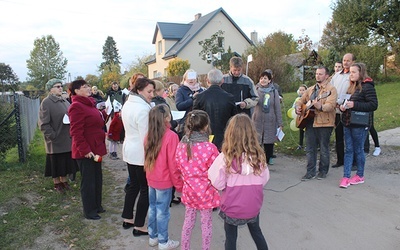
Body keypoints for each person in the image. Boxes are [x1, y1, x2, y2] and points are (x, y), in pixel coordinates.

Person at [208, 113, 270, 250]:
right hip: (253, 205)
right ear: (252, 133)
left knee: (231, 238)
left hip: (232, 207)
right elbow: (265, 179)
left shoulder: (225, 157)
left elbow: (216, 182)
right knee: (256, 232)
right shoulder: (259, 156)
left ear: (230, 133)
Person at [175, 110, 221, 250]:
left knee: (188, 221)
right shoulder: (210, 147)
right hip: (206, 192)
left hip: (189, 190)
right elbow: (216, 170)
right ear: (206, 126)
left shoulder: (182, 145)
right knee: (206, 222)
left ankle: (185, 247)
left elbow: (178, 165)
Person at [144, 104, 183, 250]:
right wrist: (179, 185)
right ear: (167, 117)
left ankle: (153, 237)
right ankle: (163, 241)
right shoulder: (171, 136)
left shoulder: (149, 135)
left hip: (152, 178)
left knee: (153, 208)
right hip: (164, 180)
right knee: (163, 212)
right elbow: (174, 164)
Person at [68, 79, 107, 220]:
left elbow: (97, 123)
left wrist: (104, 113)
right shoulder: (77, 106)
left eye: (88, 86)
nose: (88, 88)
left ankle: (97, 206)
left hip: (95, 147)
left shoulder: (90, 103)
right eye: (84, 87)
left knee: (97, 178)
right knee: (88, 182)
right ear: (77, 91)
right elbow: (76, 132)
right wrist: (85, 150)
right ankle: (89, 211)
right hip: (86, 151)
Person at [121, 77, 155, 235]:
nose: (152, 94)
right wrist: (152, 156)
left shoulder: (129, 103)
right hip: (140, 153)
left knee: (134, 185)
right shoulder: (143, 109)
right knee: (145, 189)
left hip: (130, 150)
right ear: (139, 90)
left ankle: (128, 217)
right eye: (149, 91)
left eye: (153, 91)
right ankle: (139, 225)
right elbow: (146, 137)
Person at [339, 63, 378, 188]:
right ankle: (346, 176)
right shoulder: (351, 86)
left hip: (359, 124)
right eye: (350, 72)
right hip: (347, 122)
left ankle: (360, 175)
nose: (351, 75)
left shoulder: (367, 87)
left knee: (358, 150)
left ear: (361, 72)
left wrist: (354, 105)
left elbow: (373, 105)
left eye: (353, 72)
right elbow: (347, 101)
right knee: (349, 150)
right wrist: (343, 107)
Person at [295, 66, 338, 180]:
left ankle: (323, 171)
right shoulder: (310, 89)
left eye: (320, 74)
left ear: (326, 76)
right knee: (310, 148)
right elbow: (301, 100)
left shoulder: (331, 90)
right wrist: (298, 107)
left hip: (325, 123)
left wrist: (321, 106)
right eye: (317, 73)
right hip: (310, 121)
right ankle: (310, 171)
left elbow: (331, 105)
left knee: (323, 148)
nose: (317, 75)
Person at [38, 78, 76, 193]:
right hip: (55, 140)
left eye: (61, 86)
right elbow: (43, 123)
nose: (60, 88)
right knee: (56, 162)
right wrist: (52, 136)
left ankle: (64, 181)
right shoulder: (46, 102)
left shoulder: (65, 101)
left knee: (65, 162)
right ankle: (57, 183)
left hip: (66, 138)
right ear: (50, 90)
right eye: (57, 86)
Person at [193, 69, 237, 150]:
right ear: (222, 81)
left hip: (205, 136)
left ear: (207, 81)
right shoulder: (229, 98)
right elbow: (234, 118)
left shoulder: (199, 97)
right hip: (225, 136)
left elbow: (194, 119)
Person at [252, 70, 283, 165]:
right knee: (257, 140)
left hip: (270, 120)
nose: (263, 80)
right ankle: (256, 158)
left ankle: (269, 157)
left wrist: (280, 123)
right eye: (261, 78)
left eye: (265, 78)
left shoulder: (274, 91)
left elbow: (277, 107)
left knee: (269, 140)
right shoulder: (255, 90)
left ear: (269, 80)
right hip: (258, 119)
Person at [330, 53, 356, 168]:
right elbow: (331, 90)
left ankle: (354, 162)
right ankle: (340, 160)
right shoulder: (336, 76)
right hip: (337, 111)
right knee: (339, 136)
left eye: (348, 60)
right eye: (344, 60)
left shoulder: (354, 75)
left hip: (349, 110)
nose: (345, 62)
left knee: (351, 137)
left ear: (353, 62)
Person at [175, 69, 204, 138]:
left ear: (197, 79)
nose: (191, 80)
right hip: (186, 123)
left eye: (193, 78)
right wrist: (192, 99)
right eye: (189, 78)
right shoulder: (181, 90)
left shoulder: (201, 90)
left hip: (199, 122)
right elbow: (179, 106)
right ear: (185, 79)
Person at [293, 84, 307, 150]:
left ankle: (308, 145)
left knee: (308, 132)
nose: (302, 91)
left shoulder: (308, 98)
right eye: (300, 90)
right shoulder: (297, 99)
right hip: (300, 117)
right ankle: (300, 144)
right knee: (301, 131)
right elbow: (294, 107)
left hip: (307, 117)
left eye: (303, 90)